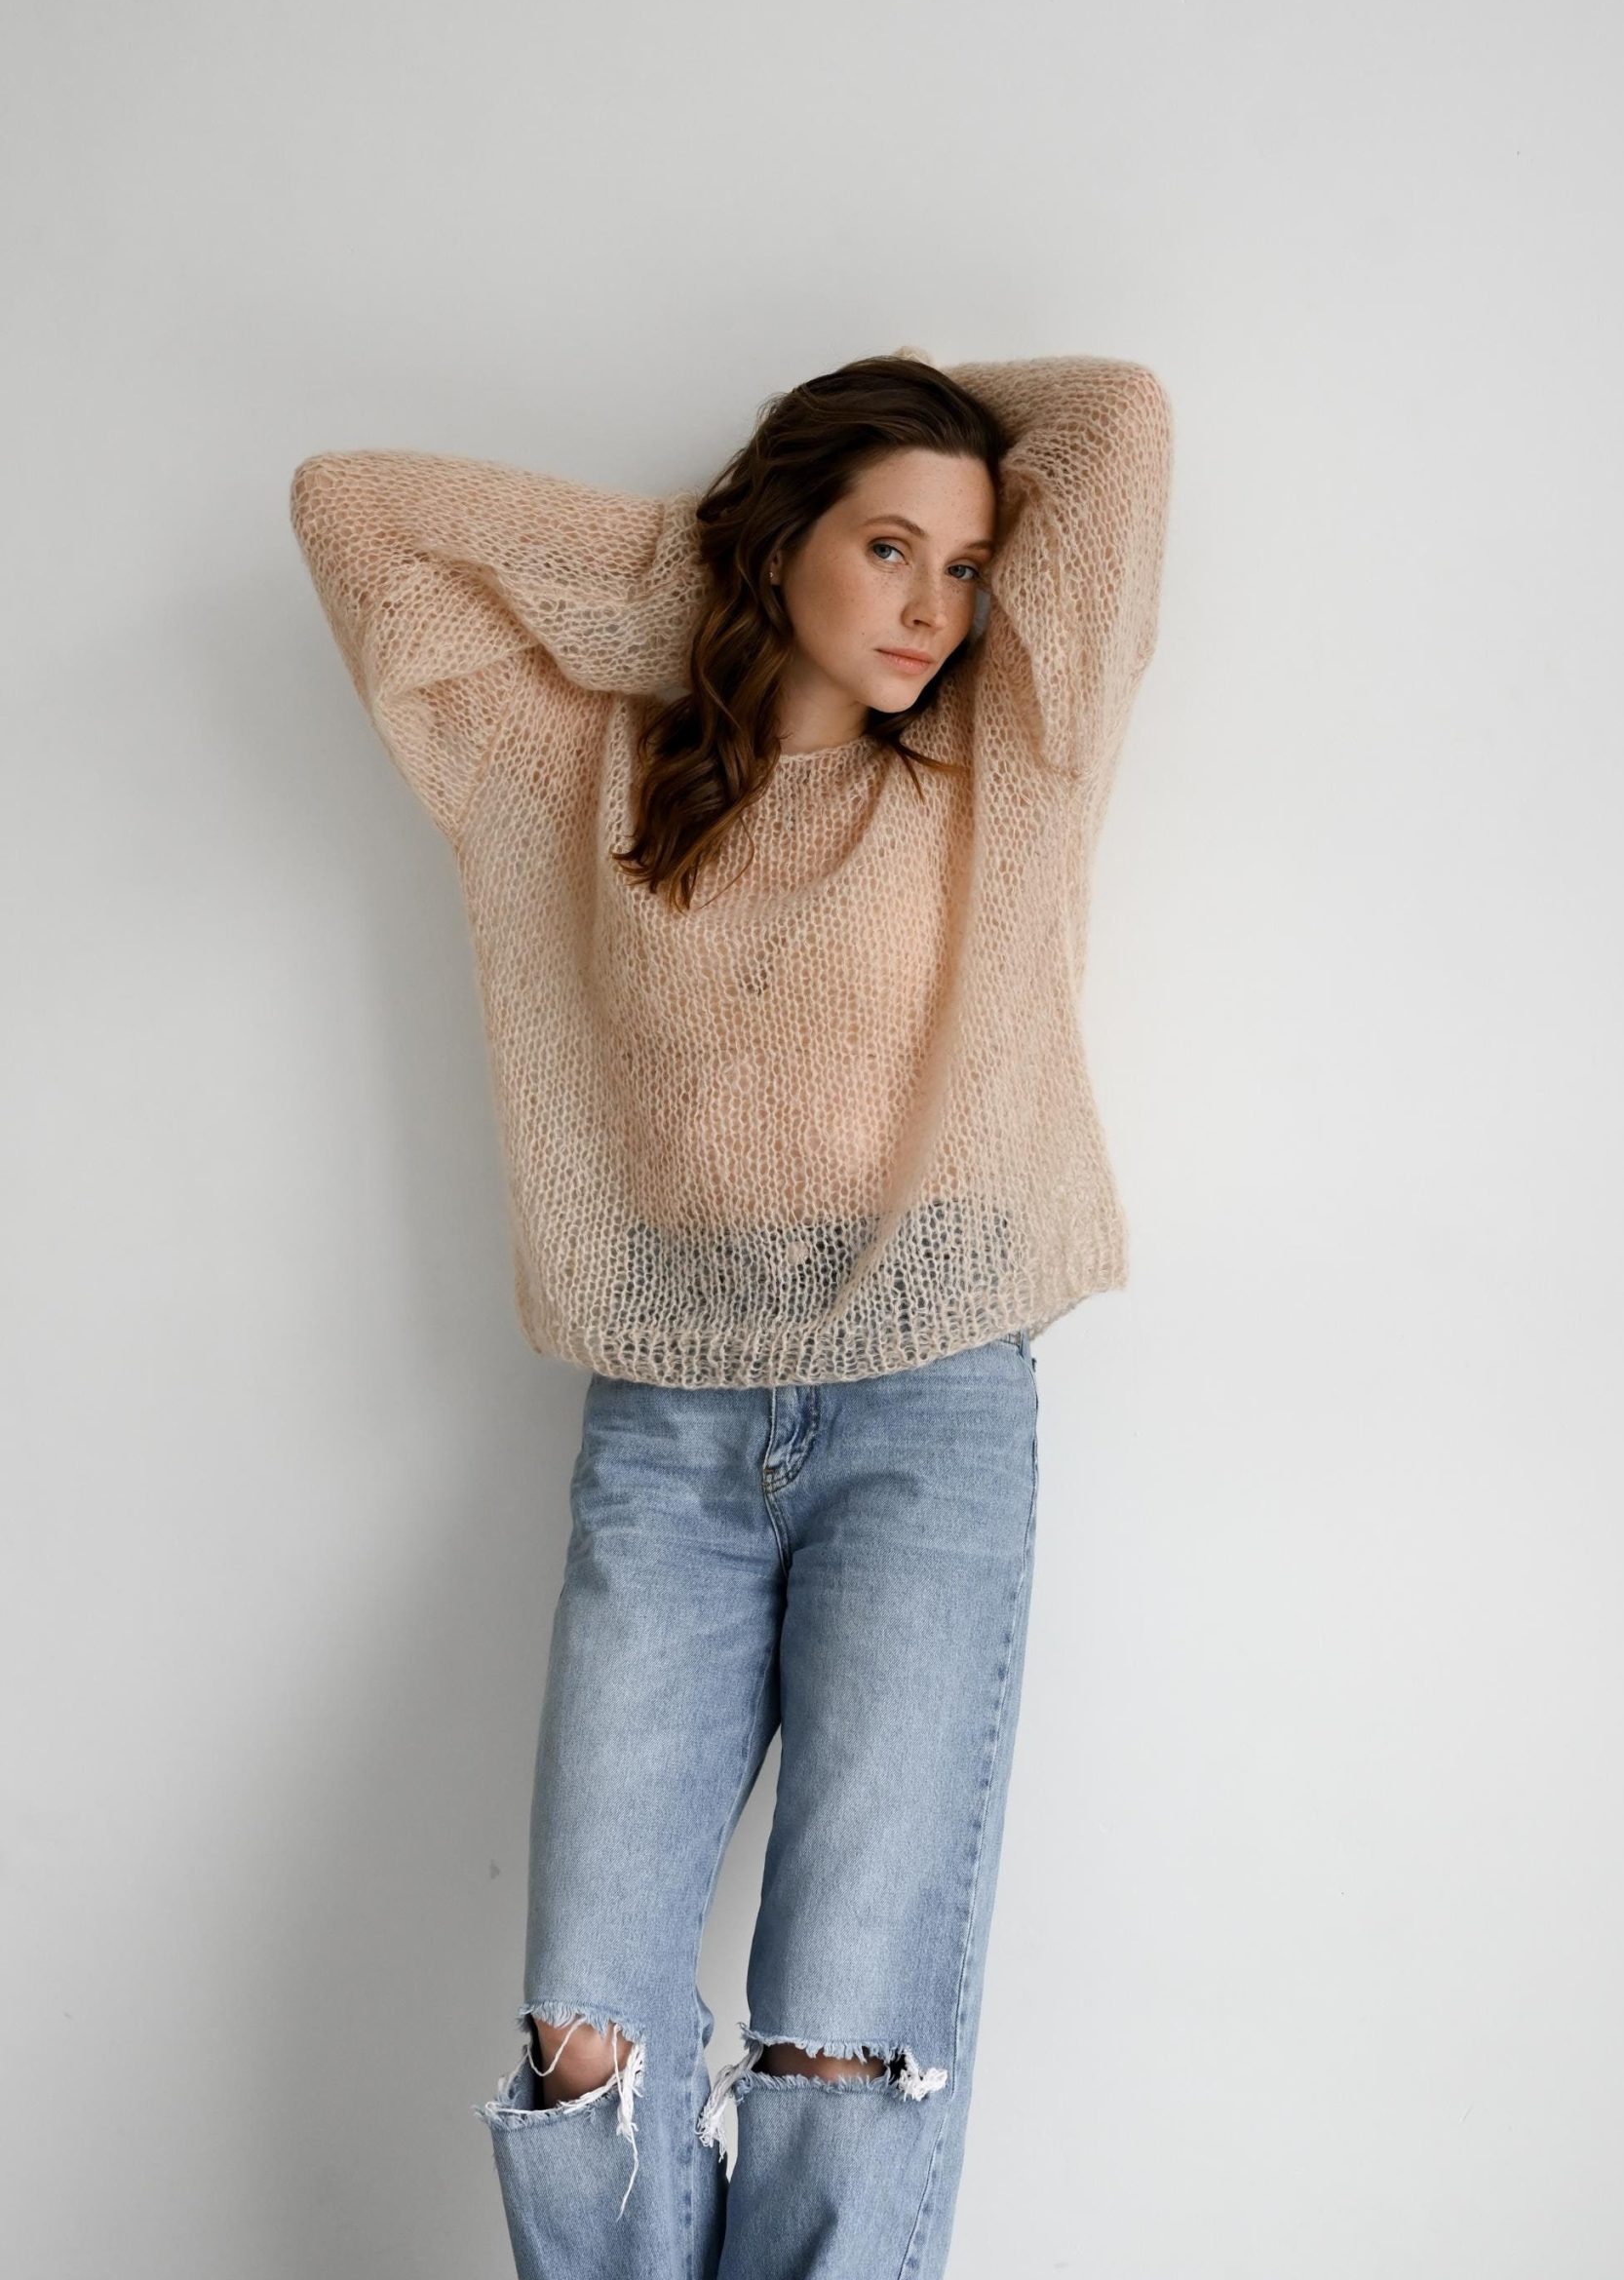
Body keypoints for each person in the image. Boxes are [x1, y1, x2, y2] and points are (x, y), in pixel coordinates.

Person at [289, 345, 1174, 2277]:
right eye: (887, 546)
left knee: (841, 2039)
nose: (936, 606)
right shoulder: (589, 766)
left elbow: (1114, 417)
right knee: (583, 2040)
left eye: (968, 563)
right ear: (779, 543)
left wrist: (898, 464)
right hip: (668, 1432)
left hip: (927, 1415)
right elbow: (355, 517)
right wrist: (713, 561)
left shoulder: (1003, 768)